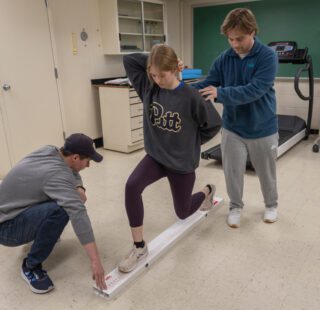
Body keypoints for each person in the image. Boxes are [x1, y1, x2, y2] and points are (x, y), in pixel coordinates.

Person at [118, 44, 222, 273]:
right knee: (131, 186)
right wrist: (155, 57)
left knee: (183, 213)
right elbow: (129, 60)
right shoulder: (147, 87)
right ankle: (139, 247)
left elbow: (214, 125)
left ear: (175, 69)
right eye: (153, 74)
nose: (157, 79)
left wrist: (190, 143)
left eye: (161, 74)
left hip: (182, 163)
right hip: (155, 157)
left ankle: (206, 191)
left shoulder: (192, 97)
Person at [191, 8, 279, 228]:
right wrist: (182, 89)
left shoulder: (267, 56)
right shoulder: (224, 58)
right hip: (233, 128)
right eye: (230, 39)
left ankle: (271, 205)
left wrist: (221, 93)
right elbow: (209, 83)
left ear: (252, 31)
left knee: (266, 173)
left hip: (263, 127)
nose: (234, 44)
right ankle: (235, 207)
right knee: (232, 172)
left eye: (239, 38)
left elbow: (255, 90)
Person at [0, 133, 107, 294]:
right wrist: (95, 261)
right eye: (88, 161)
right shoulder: (56, 175)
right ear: (76, 157)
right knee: (62, 209)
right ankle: (31, 266)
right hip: (7, 229)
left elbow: (70, 171)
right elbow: (78, 213)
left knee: (61, 198)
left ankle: (44, 232)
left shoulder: (50, 151)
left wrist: (79, 186)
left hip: (9, 211)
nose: (88, 165)